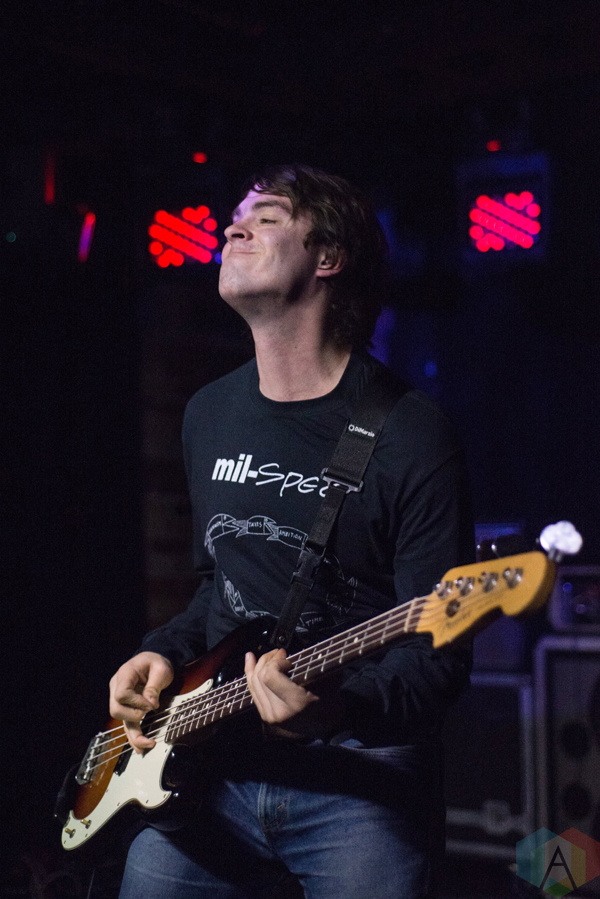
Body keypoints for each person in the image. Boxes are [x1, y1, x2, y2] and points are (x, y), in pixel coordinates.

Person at [109, 164, 474, 898]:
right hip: (217, 770)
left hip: (359, 779)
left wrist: (337, 710)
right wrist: (160, 653)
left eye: (266, 217)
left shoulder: (411, 432)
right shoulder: (209, 413)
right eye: (235, 217)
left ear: (328, 257)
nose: (233, 228)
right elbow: (219, 587)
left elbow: (438, 659)